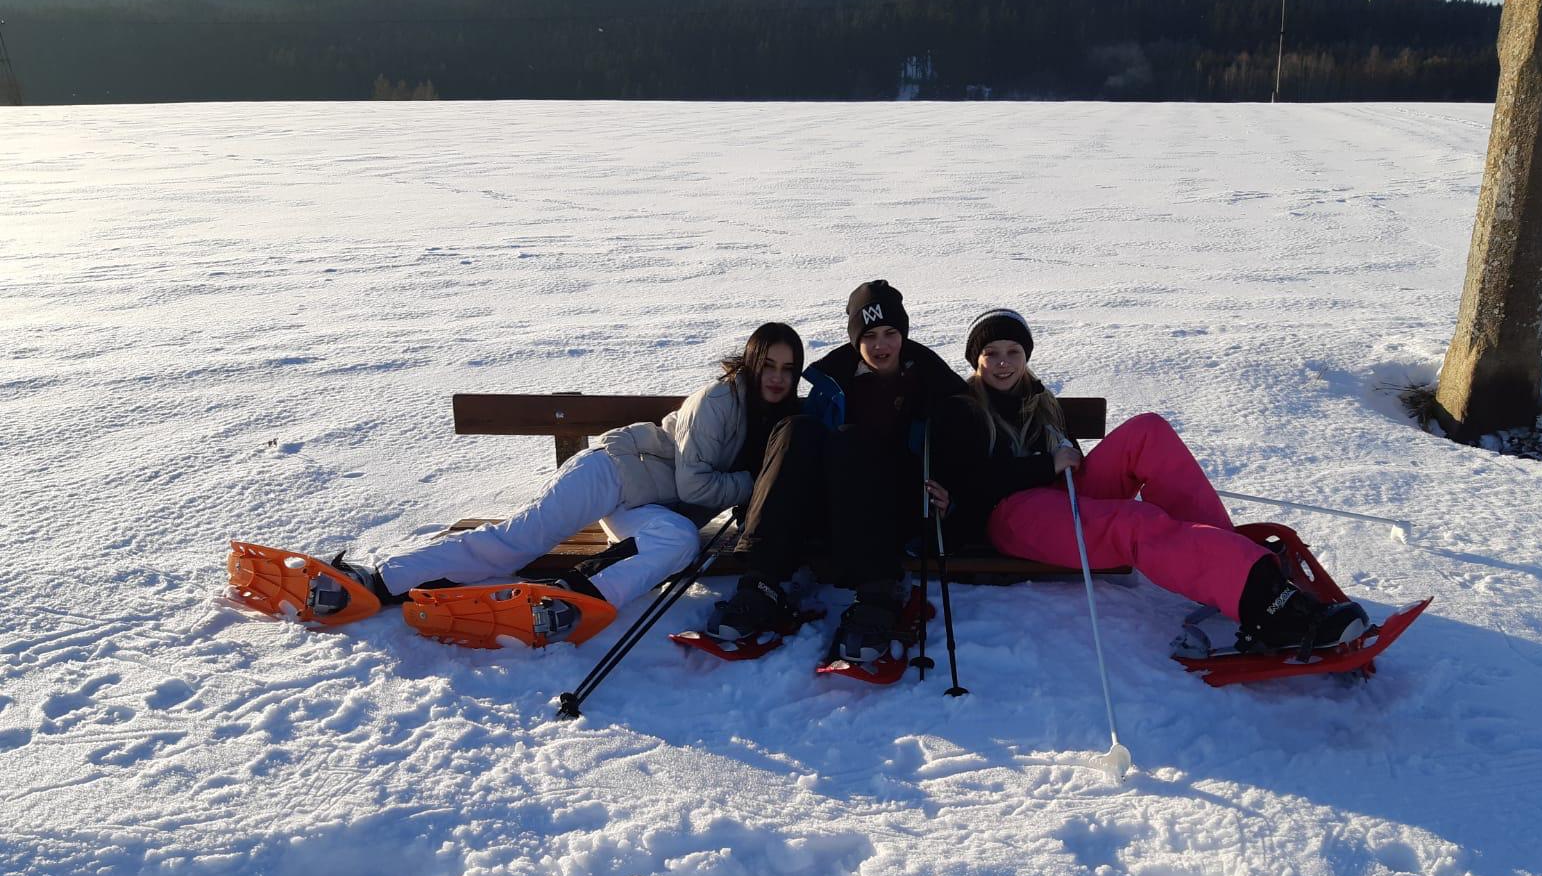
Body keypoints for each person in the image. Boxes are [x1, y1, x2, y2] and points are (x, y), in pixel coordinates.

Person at [237, 322, 804, 641]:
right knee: (522, 541)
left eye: (787, 369)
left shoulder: (772, 418)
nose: (777, 378)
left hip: (649, 506)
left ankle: (576, 599)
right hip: (611, 470)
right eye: (768, 365)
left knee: (678, 544)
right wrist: (756, 482)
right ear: (750, 363)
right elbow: (699, 485)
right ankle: (377, 580)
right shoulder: (718, 401)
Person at [931, 307, 1369, 654]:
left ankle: (1232, 561)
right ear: (977, 360)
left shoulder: (1040, 399)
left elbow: (1068, 453)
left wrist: (1064, 457)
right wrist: (1045, 465)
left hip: (1058, 497)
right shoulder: (962, 408)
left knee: (1148, 431)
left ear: (1026, 356)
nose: (1003, 363)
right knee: (1133, 521)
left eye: (1013, 352)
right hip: (1009, 515)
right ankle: (1266, 607)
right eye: (992, 354)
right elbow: (971, 481)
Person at [705, 280, 971, 661]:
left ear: (904, 334)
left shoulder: (934, 385)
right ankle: (763, 582)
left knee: (849, 439)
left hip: (898, 513)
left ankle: (879, 591)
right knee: (798, 428)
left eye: (890, 333)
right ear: (854, 339)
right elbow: (801, 456)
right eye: (870, 335)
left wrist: (952, 496)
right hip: (836, 509)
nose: (881, 345)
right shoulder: (832, 381)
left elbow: (962, 458)